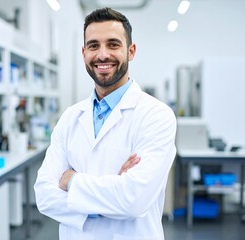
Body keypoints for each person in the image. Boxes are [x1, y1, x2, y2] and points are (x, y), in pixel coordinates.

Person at [34, 7, 176, 240]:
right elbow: (44, 196)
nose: (102, 55)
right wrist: (112, 195)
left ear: (131, 51)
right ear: (83, 53)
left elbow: (133, 200)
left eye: (113, 44)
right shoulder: (70, 117)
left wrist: (71, 181)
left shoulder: (156, 116)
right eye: (93, 45)